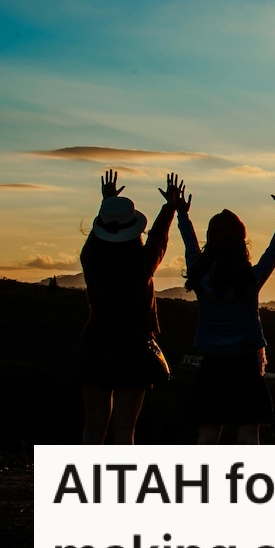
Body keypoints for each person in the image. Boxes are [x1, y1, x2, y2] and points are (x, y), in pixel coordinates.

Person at [179, 180, 275, 445]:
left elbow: (190, 246)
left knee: (207, 435)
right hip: (245, 365)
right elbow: (273, 252)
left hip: (212, 364)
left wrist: (182, 214)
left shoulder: (201, 277)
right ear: (241, 241)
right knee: (248, 435)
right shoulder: (250, 280)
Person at [78, 170, 184, 444]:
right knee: (124, 428)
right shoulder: (142, 263)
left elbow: (96, 240)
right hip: (133, 347)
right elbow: (159, 238)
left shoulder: (90, 258)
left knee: (92, 426)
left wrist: (107, 203)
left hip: (96, 344)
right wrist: (170, 206)